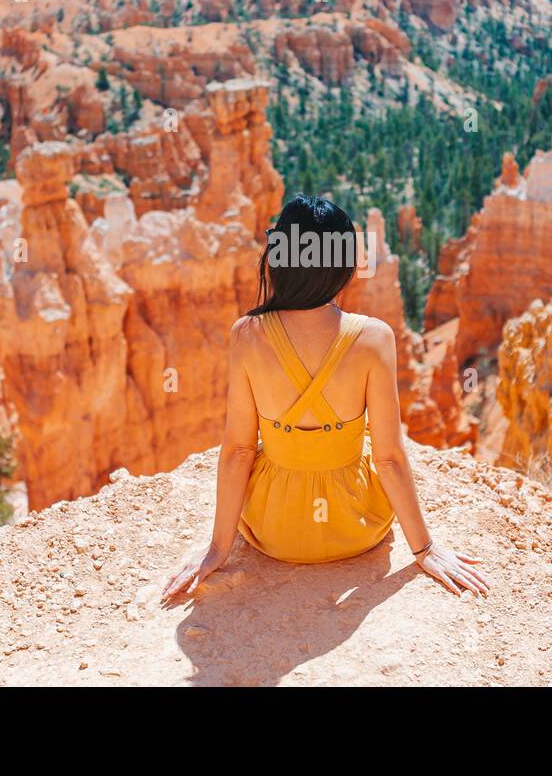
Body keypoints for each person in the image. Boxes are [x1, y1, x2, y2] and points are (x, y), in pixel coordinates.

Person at [162, 195, 488, 601]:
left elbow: (238, 450)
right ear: (344, 266)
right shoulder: (374, 338)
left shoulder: (246, 334)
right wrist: (425, 549)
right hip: (355, 526)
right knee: (365, 442)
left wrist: (217, 550)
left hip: (273, 529)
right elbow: (388, 457)